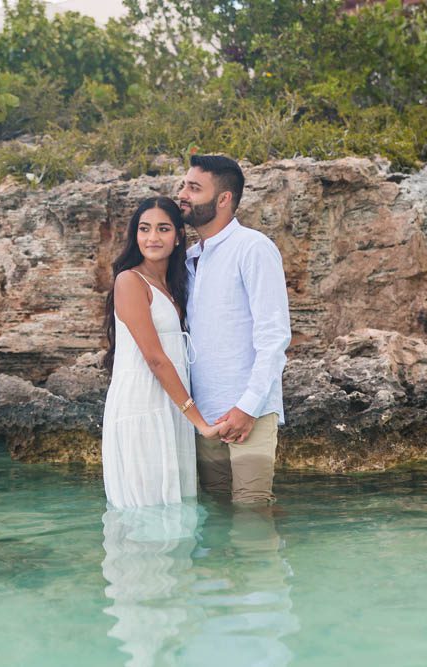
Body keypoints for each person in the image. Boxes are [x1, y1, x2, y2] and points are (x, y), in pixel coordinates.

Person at [178, 155, 292, 505]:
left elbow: (274, 337)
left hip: (249, 414)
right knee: (217, 517)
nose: (182, 194)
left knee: (252, 515)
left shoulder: (253, 248)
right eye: (184, 185)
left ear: (223, 199)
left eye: (194, 188)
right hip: (203, 419)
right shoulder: (187, 258)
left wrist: (248, 408)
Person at [102, 196, 221, 509]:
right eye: (144, 229)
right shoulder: (129, 281)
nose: (152, 238)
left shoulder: (174, 284)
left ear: (178, 235)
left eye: (163, 229)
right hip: (142, 406)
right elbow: (155, 358)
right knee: (149, 508)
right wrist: (200, 422)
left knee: (176, 505)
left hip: (171, 405)